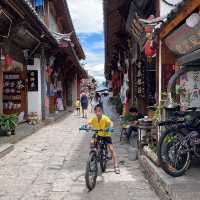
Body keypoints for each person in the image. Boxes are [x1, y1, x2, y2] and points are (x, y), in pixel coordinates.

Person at [88, 104, 120, 174]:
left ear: (102, 111)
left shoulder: (105, 118)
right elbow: (89, 123)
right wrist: (87, 126)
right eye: (96, 111)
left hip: (106, 135)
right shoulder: (94, 119)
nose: (97, 113)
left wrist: (110, 128)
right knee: (92, 142)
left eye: (99, 111)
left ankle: (116, 165)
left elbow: (111, 123)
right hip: (98, 134)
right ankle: (92, 156)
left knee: (111, 149)